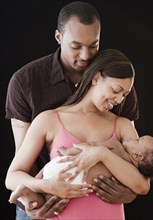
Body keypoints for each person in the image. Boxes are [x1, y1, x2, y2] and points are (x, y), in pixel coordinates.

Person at [5, 2, 139, 219]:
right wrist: (34, 202)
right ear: (59, 37)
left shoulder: (117, 85)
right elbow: (21, 161)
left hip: (100, 204)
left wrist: (131, 190)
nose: (86, 55)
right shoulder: (26, 82)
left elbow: (135, 154)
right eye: (76, 46)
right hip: (41, 198)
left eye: (93, 45)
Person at [9, 135, 153, 214]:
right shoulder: (128, 173)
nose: (133, 136)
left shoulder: (116, 146)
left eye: (138, 140)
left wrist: (68, 151)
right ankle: (25, 193)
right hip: (74, 180)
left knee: (43, 185)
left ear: (138, 156)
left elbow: (90, 146)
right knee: (47, 201)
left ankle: (27, 190)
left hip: (63, 164)